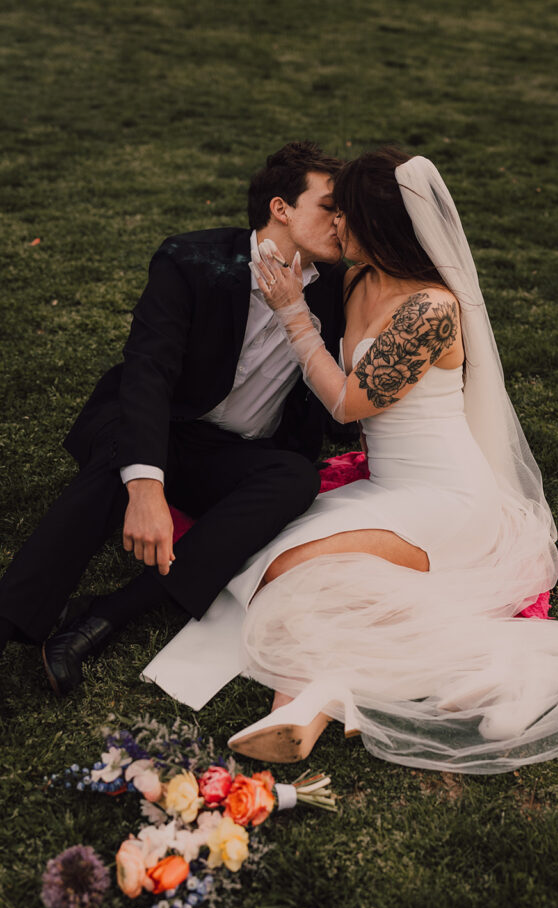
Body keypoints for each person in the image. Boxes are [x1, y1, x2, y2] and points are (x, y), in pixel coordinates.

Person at [148, 148, 558, 774]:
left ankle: (322, 696)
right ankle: (313, 699)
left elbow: (348, 404)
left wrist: (293, 314)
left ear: (377, 224)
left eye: (344, 214)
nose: (335, 224)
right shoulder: (358, 278)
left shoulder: (431, 309)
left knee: (297, 572)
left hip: (449, 498)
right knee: (271, 570)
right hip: (387, 488)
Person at [0, 141, 347, 696]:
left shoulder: (338, 287)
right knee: (119, 459)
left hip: (233, 454)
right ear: (281, 208)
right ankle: (10, 621)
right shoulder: (190, 260)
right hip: (154, 422)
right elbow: (147, 374)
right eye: (330, 207)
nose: (342, 222)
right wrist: (144, 485)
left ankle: (107, 616)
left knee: (295, 478)